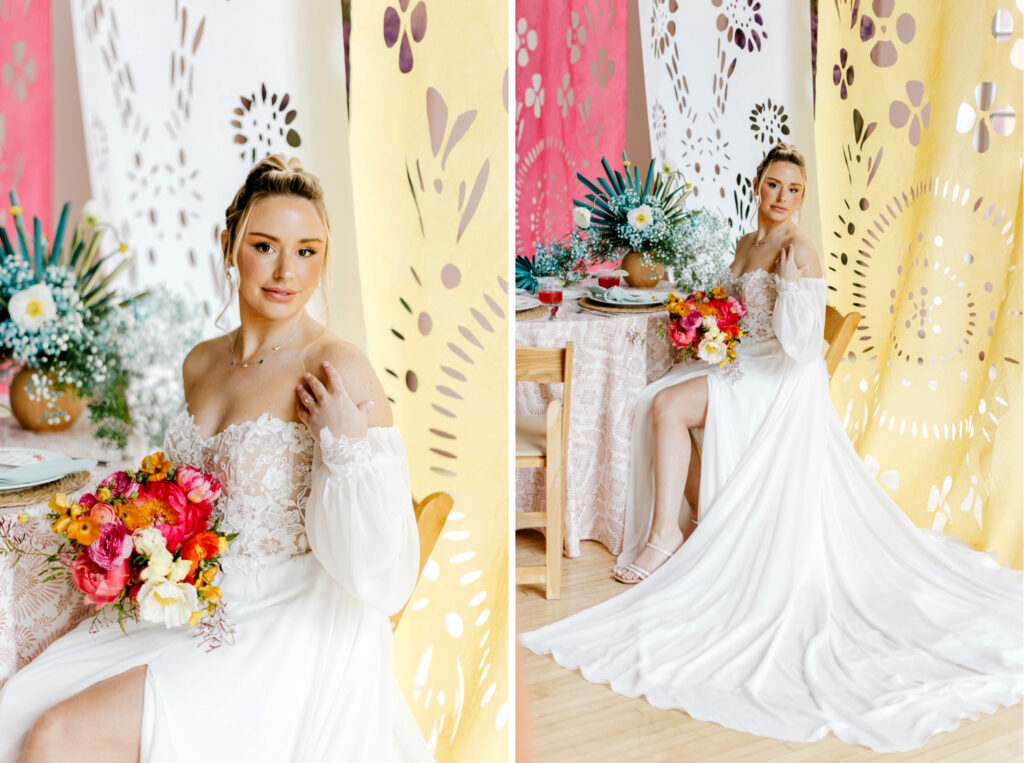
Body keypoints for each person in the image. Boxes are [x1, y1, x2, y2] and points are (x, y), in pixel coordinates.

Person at [520, 144, 1023, 752]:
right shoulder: (746, 241)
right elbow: (735, 313)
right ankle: (704, 518)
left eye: (793, 189)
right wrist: (707, 325)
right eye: (773, 185)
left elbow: (803, 346)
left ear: (801, 197)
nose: (781, 197)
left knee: (666, 405)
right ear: (756, 187)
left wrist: (788, 289)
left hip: (780, 378)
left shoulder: (797, 251)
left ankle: (665, 538)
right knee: (652, 397)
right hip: (747, 361)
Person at [0, 156, 432, 762]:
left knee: (58, 737)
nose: (287, 270)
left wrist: (345, 444)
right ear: (229, 246)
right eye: (265, 245)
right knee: (17, 708)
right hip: (191, 606)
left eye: (308, 251)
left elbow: (382, 573)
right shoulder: (200, 362)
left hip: (286, 623)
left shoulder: (336, 367)